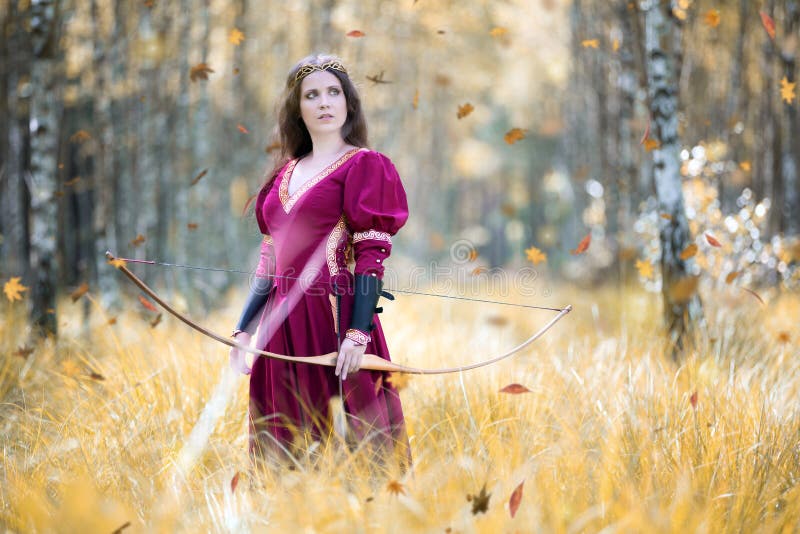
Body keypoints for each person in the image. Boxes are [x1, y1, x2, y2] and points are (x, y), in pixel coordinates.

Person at [228, 53, 411, 469]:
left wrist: (357, 334)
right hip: (281, 331)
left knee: (359, 452)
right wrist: (244, 330)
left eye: (334, 92)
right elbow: (269, 262)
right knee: (283, 452)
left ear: (348, 103)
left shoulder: (365, 165)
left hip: (335, 325)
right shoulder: (282, 176)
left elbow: (370, 258)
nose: (324, 102)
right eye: (312, 95)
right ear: (298, 108)